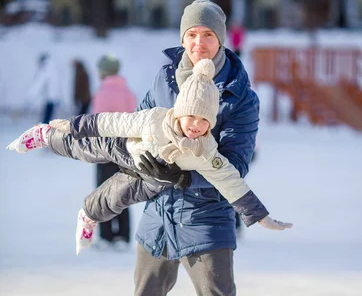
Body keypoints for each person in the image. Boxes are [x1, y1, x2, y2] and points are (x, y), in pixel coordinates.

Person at [8, 0, 284, 296]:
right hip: (157, 214)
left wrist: (183, 172)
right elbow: (136, 127)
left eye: (208, 36)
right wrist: (144, 161)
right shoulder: (162, 76)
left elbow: (234, 162)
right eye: (191, 35)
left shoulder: (240, 95)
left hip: (204, 217)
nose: (198, 43)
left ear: (220, 40)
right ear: (183, 37)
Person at [7, 59, 292, 257]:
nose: (195, 125)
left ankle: (87, 215)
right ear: (179, 111)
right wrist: (74, 126)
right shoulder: (154, 120)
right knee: (85, 147)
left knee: (114, 199)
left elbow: (230, 180)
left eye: (203, 120)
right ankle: (45, 136)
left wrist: (259, 215)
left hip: (154, 178)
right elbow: (112, 122)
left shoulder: (205, 151)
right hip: (128, 148)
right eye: (190, 116)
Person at [92, 54, 137, 250]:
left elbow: (96, 125)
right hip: (126, 150)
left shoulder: (102, 93)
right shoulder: (128, 92)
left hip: (106, 151)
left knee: (104, 192)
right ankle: (123, 235)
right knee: (123, 192)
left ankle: (106, 235)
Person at [25, 54, 60, 123]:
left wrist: (30, 96)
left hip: (49, 98)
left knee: (46, 119)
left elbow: (39, 83)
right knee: (49, 117)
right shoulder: (53, 68)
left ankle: (45, 131)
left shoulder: (46, 69)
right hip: (53, 97)